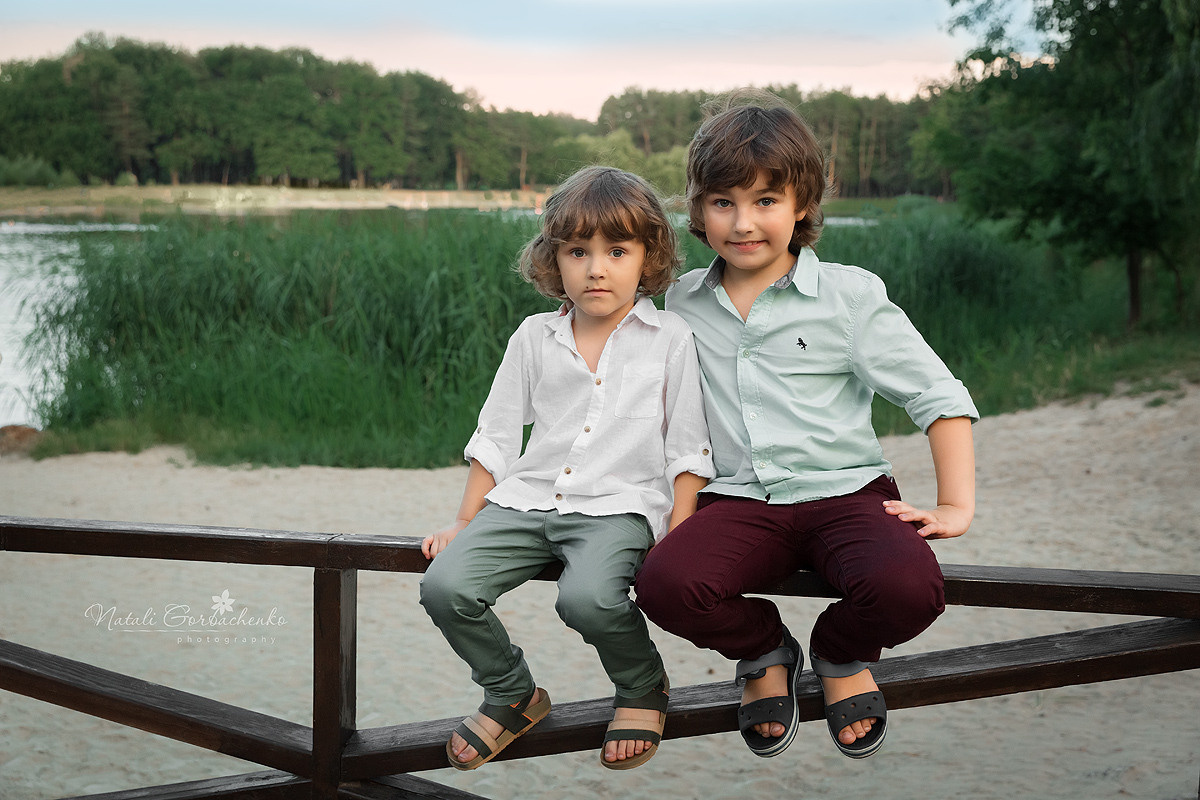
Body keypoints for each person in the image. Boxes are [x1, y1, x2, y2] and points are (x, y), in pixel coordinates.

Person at [634, 95, 978, 760]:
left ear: (802, 206)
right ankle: (764, 649)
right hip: (736, 499)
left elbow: (937, 394)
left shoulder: (849, 298)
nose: (743, 222)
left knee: (910, 588)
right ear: (699, 210)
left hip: (845, 493)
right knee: (664, 584)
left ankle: (840, 652)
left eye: (766, 201)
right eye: (723, 202)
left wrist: (957, 503)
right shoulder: (679, 304)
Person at [419, 165, 714, 771]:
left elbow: (689, 445)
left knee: (585, 599)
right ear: (555, 259)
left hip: (618, 505)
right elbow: (497, 435)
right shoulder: (533, 336)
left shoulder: (670, 337)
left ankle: (641, 686)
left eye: (617, 250)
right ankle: (512, 691)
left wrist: (680, 530)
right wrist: (464, 520)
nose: (596, 267)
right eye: (579, 250)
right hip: (527, 500)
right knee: (445, 586)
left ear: (648, 256)